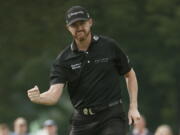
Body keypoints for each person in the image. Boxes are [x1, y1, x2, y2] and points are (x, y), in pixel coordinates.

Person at [27, 5, 141, 135]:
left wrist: (133, 107)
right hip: (82, 119)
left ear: (90, 22)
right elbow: (54, 94)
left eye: (82, 23)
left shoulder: (109, 46)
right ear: (68, 28)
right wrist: (39, 98)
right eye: (74, 25)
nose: (79, 27)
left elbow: (129, 74)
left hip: (111, 115)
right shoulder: (63, 60)